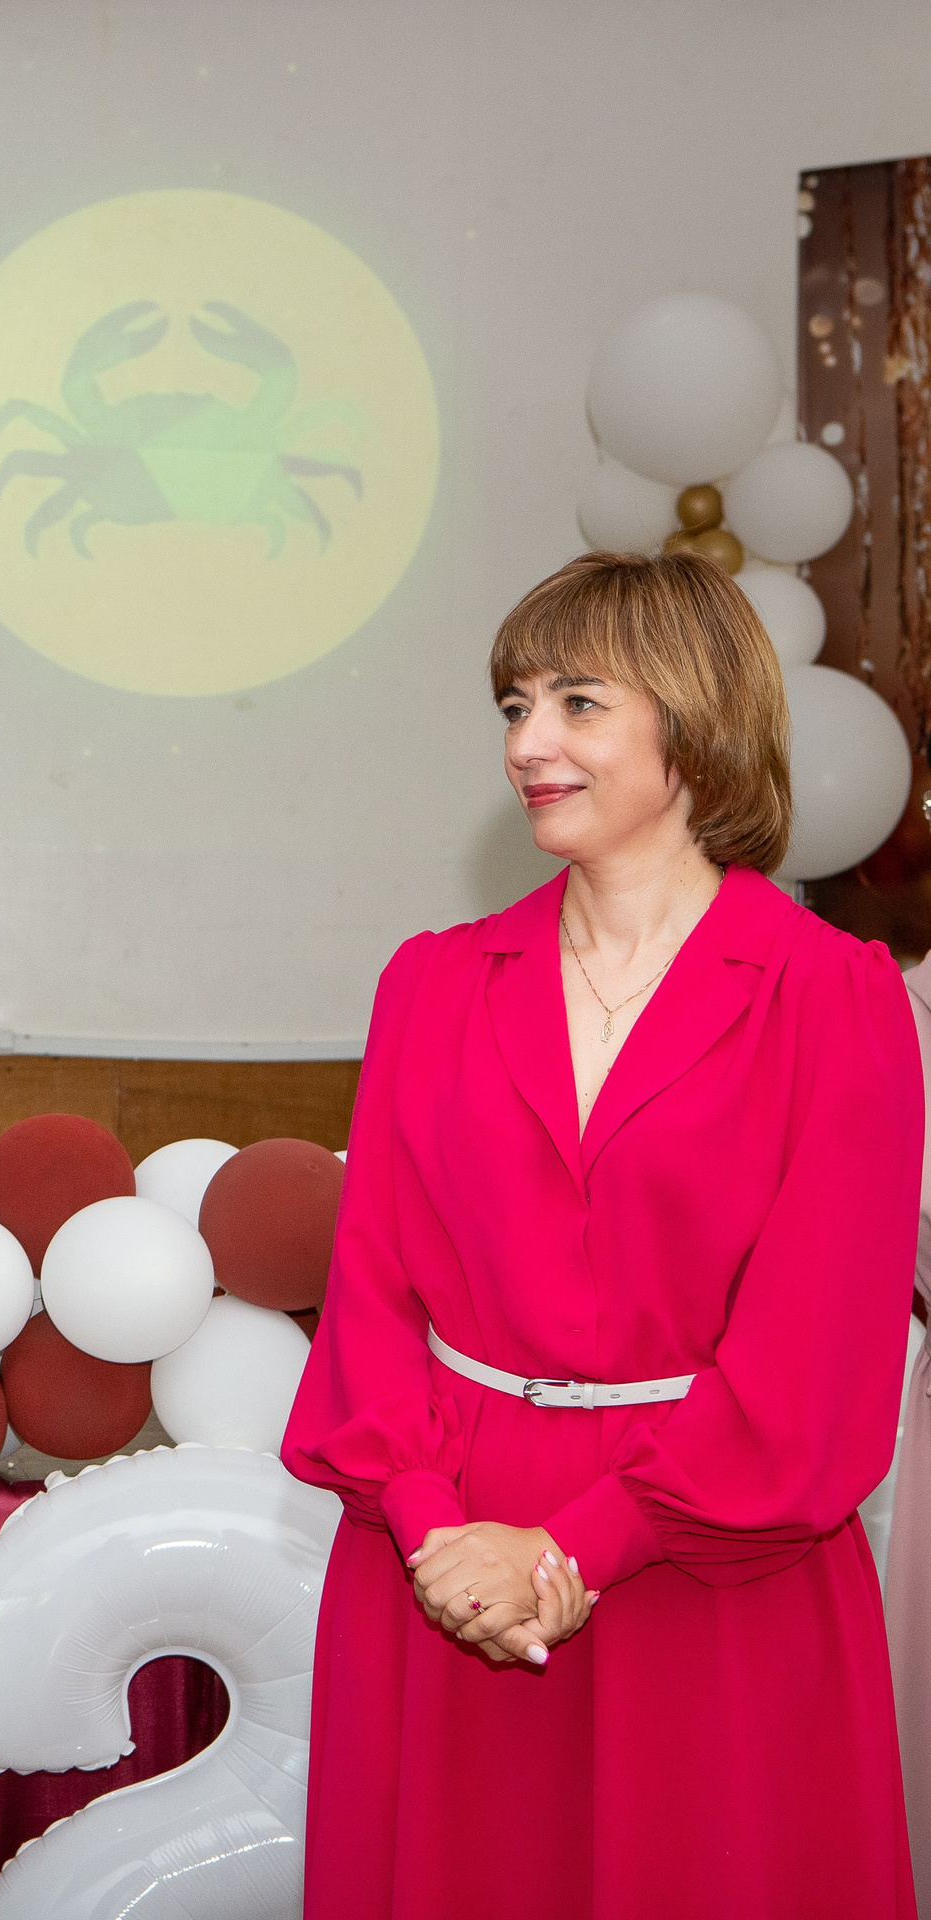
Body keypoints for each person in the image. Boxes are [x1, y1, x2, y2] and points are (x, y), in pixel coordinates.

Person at [284, 550, 921, 1915]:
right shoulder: (434, 983)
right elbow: (374, 1297)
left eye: (577, 703)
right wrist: (435, 1529)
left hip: (708, 1567)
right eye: (515, 706)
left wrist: (574, 1549)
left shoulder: (834, 1001)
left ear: (694, 719)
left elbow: (819, 1361)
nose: (527, 745)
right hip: (441, 1568)